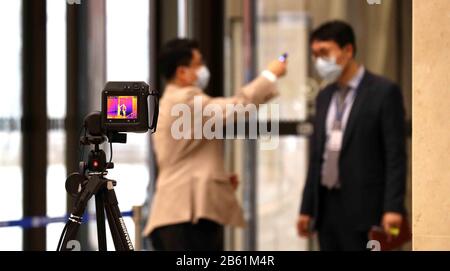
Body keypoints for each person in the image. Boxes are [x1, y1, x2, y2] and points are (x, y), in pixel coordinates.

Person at [143, 38, 287, 251]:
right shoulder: (185, 100)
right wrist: (270, 75)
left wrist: (214, 179)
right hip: (186, 218)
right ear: (182, 72)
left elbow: (186, 156)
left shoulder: (172, 101)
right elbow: (240, 106)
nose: (203, 69)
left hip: (179, 215)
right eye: (198, 64)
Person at [297, 21, 406, 251]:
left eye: (325, 53)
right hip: (327, 209)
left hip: (367, 211)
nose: (319, 62)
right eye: (315, 55)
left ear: (348, 51)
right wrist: (307, 208)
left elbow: (395, 155)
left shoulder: (384, 92)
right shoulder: (324, 96)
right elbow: (318, 156)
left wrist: (393, 207)